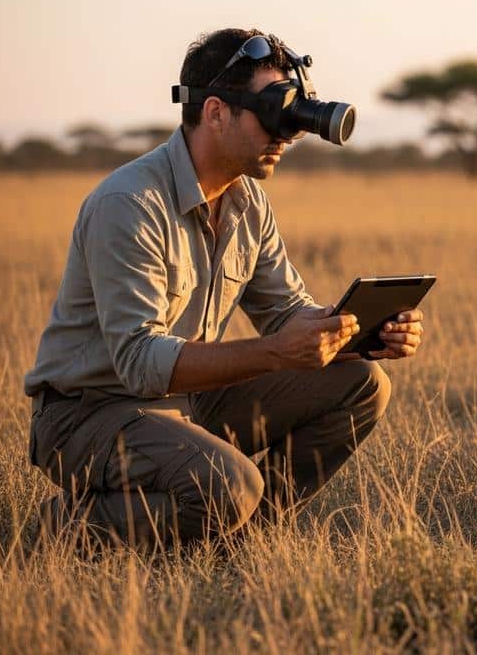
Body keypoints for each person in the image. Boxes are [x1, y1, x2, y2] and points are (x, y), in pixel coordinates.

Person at [24, 27, 425, 547]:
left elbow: (287, 313)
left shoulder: (248, 202)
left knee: (364, 382)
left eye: (293, 118)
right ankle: (59, 532)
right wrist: (277, 352)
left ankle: (239, 540)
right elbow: (140, 363)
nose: (285, 135)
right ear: (215, 112)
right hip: (90, 414)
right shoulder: (130, 204)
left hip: (188, 401)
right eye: (272, 114)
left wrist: (357, 332)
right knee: (231, 485)